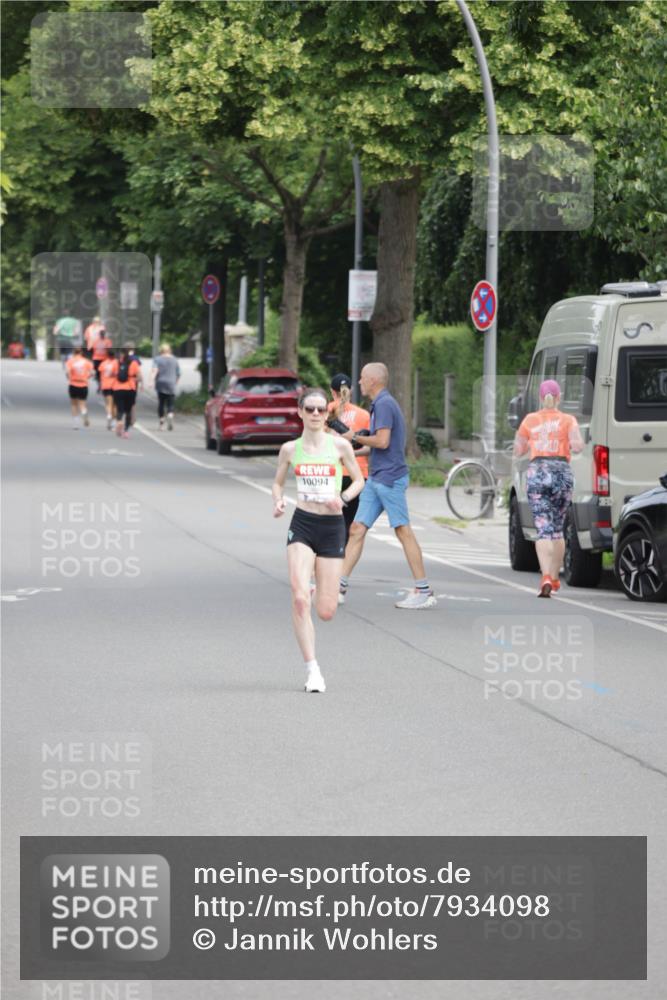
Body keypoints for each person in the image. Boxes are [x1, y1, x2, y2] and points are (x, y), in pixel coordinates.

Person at [272, 387, 364, 693]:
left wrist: (344, 496)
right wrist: (279, 501)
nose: (314, 414)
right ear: (299, 412)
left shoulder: (339, 447)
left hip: (332, 527)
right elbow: (277, 482)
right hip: (303, 524)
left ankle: (314, 587)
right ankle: (313, 670)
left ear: (327, 414)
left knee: (326, 611)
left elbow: (360, 479)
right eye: (309, 409)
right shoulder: (289, 449)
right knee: (299, 600)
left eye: (320, 410)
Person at [338, 363, 436, 610]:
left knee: (403, 531)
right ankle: (338, 586)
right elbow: (377, 445)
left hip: (390, 479)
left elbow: (382, 441)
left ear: (372, 380)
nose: (358, 383)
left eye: (361, 378)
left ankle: (423, 590)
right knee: (357, 528)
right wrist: (350, 450)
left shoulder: (383, 404)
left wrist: (354, 437)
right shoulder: (381, 404)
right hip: (377, 478)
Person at [513, 379, 585, 597]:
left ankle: (545, 576)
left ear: (540, 397)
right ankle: (554, 577)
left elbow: (518, 450)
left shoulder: (530, 420)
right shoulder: (568, 420)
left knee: (543, 527)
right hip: (562, 472)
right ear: (559, 397)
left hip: (538, 472)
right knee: (557, 526)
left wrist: (530, 444)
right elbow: (578, 446)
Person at [326, 373, 370, 542]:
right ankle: (341, 562)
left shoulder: (324, 410)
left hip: (331, 473)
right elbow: (368, 448)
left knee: (328, 522)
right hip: (357, 475)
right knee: (347, 523)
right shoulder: (364, 415)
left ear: (332, 391)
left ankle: (326, 561)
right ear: (350, 390)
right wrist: (350, 455)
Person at [111, 346, 142, 439]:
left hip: (118, 389)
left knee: (120, 409)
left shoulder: (116, 363)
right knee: (128, 410)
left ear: (121, 354)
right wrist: (134, 379)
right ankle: (126, 431)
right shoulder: (134, 363)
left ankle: (119, 421)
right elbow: (139, 377)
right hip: (130, 389)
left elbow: (111, 374)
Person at [151, 343, 181, 430]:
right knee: (170, 403)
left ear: (161, 351)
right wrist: (175, 382)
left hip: (160, 383)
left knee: (161, 403)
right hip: (171, 383)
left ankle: (161, 420)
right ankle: (170, 414)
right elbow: (178, 373)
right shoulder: (175, 360)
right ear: (169, 350)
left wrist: (151, 381)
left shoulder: (157, 359)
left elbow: (155, 370)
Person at [64, 347, 94, 429]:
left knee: (74, 404)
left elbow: (67, 372)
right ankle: (84, 413)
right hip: (83, 385)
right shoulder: (87, 362)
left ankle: (75, 423)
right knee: (82, 404)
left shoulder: (70, 361)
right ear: (81, 352)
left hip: (73, 384)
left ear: (74, 352)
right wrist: (87, 377)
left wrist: (69, 377)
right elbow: (93, 373)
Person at [98, 349, 116, 429]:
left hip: (105, 385)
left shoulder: (103, 363)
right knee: (114, 405)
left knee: (108, 403)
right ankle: (113, 422)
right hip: (115, 385)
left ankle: (109, 415)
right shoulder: (117, 363)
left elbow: (100, 373)